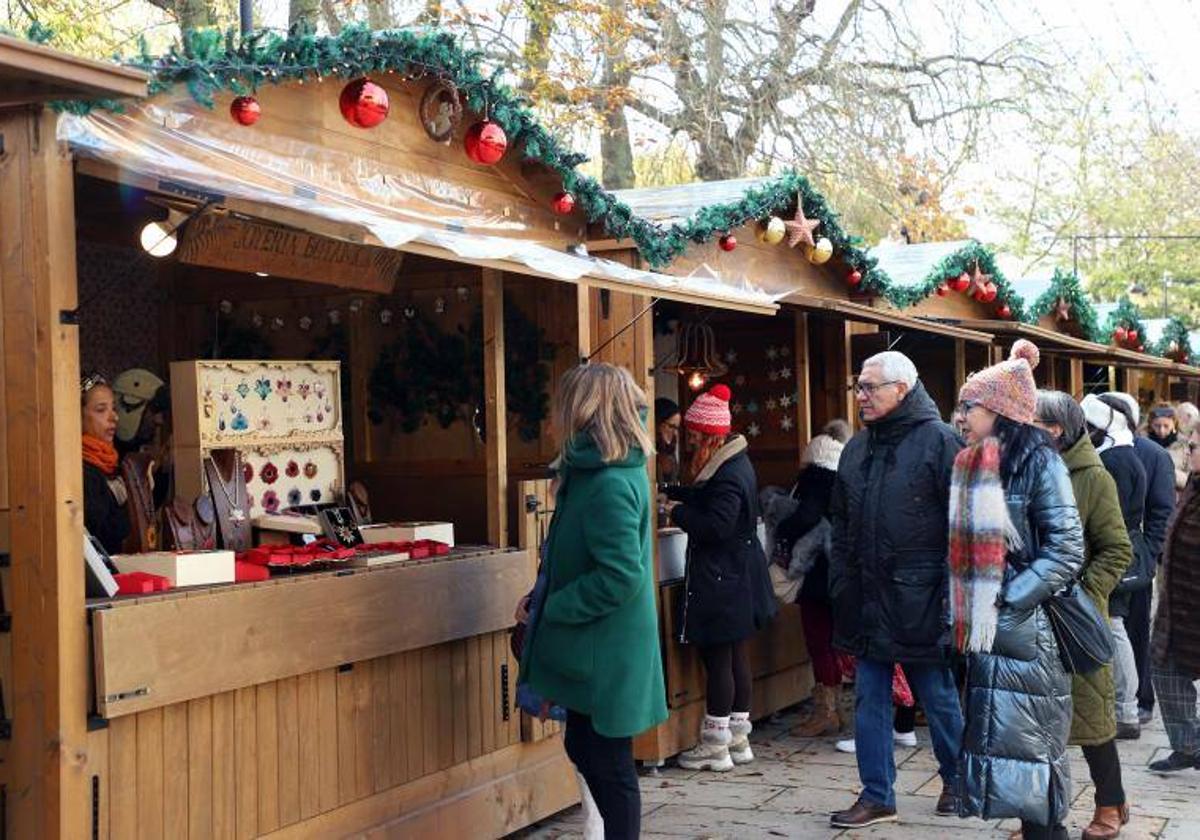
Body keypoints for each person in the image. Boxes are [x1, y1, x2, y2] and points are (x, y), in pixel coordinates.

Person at [519, 363, 668, 838]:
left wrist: (557, 608)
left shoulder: (607, 482)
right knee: (586, 748)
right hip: (596, 646)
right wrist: (540, 596)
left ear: (585, 410)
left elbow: (621, 575)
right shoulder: (591, 473)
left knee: (609, 764)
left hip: (607, 649)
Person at [953, 341, 1084, 840]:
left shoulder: (1041, 465)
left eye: (970, 407)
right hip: (993, 634)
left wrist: (1007, 598)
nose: (962, 416)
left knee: (1034, 762)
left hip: (1029, 635)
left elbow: (1067, 550)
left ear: (1001, 412)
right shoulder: (978, 463)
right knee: (1011, 757)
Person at [828, 351, 964, 828]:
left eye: (870, 387)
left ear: (901, 390)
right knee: (868, 697)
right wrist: (840, 580)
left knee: (937, 694)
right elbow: (840, 523)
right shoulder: (856, 448)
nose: (861, 396)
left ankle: (957, 778)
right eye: (858, 387)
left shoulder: (941, 441)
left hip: (920, 596)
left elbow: (962, 526)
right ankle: (877, 793)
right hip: (866, 596)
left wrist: (952, 597)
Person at [1035, 391, 1134, 840]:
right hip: (1028, 616)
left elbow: (1117, 549)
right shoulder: (1023, 468)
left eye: (1032, 420)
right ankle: (1038, 815)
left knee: (1091, 720)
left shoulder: (1094, 476)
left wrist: (1086, 595)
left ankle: (1110, 801)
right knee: (1034, 725)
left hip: (1074, 619)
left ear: (1056, 429)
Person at [664, 383, 776, 771]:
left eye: (695, 436)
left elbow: (716, 525)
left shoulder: (728, 472)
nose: (691, 443)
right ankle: (739, 740)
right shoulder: (733, 464)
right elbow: (708, 498)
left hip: (723, 579)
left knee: (718, 661)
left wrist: (677, 512)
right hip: (738, 576)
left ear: (711, 436)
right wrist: (676, 493)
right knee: (735, 657)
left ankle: (715, 746)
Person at [1103, 393, 1174, 725]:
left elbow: (1161, 510)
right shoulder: (1097, 448)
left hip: (1135, 558)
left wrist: (1148, 552)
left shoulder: (1153, 454)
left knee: (1135, 628)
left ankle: (1142, 698)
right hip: (1102, 555)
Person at [1081, 394, 1148, 740]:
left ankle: (1126, 709)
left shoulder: (1117, 461)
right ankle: (1124, 707)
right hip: (1115, 553)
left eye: (1090, 427)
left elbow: (1111, 518)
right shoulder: (1121, 455)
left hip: (1112, 556)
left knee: (1115, 626)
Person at [774, 432, 844, 737]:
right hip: (839, 573)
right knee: (832, 642)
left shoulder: (815, 480)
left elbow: (805, 516)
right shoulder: (844, 481)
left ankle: (827, 713)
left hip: (817, 576)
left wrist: (782, 529)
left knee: (819, 641)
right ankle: (833, 709)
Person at [1149, 423, 1200, 773]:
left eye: (1195, 447)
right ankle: (1189, 745)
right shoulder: (1194, 485)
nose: (1189, 451)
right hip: (1178, 607)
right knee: (1164, 670)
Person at [81, 372, 131, 555]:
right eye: (101, 410)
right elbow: (108, 533)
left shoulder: (113, 462)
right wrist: (134, 495)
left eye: (113, 408)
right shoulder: (79, 471)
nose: (114, 417)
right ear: (78, 416)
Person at [1146, 404, 1191, 491]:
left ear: (1174, 424)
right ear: (1151, 425)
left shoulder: (1185, 446)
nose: (1161, 430)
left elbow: (1191, 480)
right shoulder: (1142, 443)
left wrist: (1169, 473)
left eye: (1166, 426)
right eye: (1157, 426)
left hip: (1175, 497)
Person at [654, 397, 682, 485]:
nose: (675, 433)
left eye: (677, 428)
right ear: (658, 424)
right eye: (671, 427)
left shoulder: (671, 453)